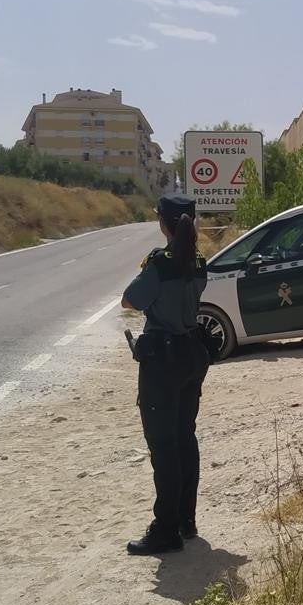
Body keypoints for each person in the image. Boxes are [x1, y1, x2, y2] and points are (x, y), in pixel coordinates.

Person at [121, 193, 211, 555]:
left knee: (164, 446)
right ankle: (186, 521)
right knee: (185, 438)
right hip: (192, 353)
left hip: (164, 360)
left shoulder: (159, 263)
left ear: (163, 224)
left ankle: (165, 529)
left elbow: (130, 300)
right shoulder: (199, 260)